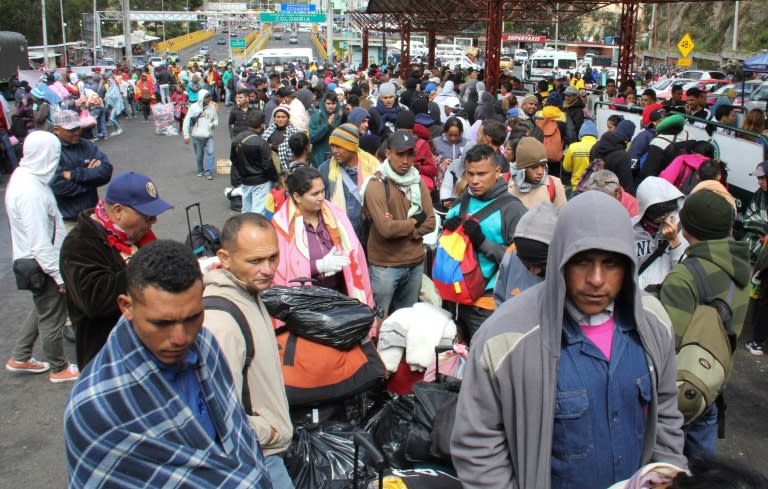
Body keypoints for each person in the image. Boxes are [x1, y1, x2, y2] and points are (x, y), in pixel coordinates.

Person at [451, 191, 687, 489]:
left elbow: (665, 412)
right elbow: (478, 444)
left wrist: (670, 474)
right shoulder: (504, 338)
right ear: (559, 258)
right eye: (582, 262)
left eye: (611, 263)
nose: (596, 279)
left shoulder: (653, 323)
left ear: (628, 265)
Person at [63, 240, 272, 488]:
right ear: (126, 307)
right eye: (162, 323)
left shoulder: (204, 343)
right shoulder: (95, 406)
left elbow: (236, 435)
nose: (180, 338)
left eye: (193, 317)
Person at [659, 189, 750, 461]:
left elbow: (669, 344)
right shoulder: (740, 264)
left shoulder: (685, 276)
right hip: (715, 377)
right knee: (704, 465)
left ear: (689, 225)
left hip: (685, 385)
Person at [204, 214, 294, 488]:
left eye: (273, 257)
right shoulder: (220, 321)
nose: (267, 269)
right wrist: (269, 431)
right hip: (254, 458)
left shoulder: (248, 293)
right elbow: (215, 411)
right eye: (255, 261)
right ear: (225, 257)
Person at [60, 172, 173, 369]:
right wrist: (150, 266)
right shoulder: (79, 244)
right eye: (146, 216)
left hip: (146, 349)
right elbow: (95, 300)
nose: (153, 221)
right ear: (118, 210)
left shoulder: (137, 236)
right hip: (109, 358)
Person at [5, 131, 80, 383]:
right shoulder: (30, 192)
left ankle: (21, 355)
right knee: (52, 317)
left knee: (42, 309)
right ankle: (59, 368)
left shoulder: (26, 177)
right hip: (41, 263)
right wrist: (59, 276)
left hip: (33, 260)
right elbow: (39, 241)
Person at [440, 143, 527, 342]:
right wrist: (447, 230)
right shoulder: (461, 202)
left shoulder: (513, 209)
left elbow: (522, 262)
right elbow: (445, 249)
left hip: (487, 305)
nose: (474, 181)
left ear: (497, 172)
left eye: (481, 174)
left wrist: (483, 242)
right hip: (453, 301)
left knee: (483, 364)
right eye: (470, 174)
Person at [272, 166, 373, 309]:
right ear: (297, 197)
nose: (321, 197)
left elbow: (353, 250)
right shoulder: (282, 226)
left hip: (340, 297)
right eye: (315, 194)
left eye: (323, 191)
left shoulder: (335, 215)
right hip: (307, 305)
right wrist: (318, 266)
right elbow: (282, 268)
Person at [363, 132, 436, 316]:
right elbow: (386, 229)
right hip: (386, 265)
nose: (405, 160)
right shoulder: (377, 183)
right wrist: (413, 222)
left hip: (415, 263)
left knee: (405, 322)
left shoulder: (417, 181)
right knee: (379, 320)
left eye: (410, 155)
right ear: (388, 153)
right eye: (400, 154)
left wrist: (403, 228)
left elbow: (431, 222)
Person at [318, 123, 380, 241]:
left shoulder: (374, 168)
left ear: (352, 147)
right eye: (332, 146)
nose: (334, 151)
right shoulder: (325, 170)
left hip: (369, 238)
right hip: (339, 237)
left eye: (339, 146)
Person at [494, 201, 558, 306]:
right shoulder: (511, 256)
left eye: (541, 264)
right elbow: (499, 301)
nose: (535, 271)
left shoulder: (568, 267)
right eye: (526, 265)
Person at [633, 177, 687, 290]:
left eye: (670, 212)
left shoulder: (682, 228)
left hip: (664, 296)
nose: (666, 217)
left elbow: (685, 274)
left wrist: (674, 241)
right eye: (661, 215)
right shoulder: (631, 227)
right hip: (635, 296)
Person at [230, 111, 277, 215]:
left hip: (245, 179)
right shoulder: (261, 143)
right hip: (261, 181)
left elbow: (233, 159)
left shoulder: (238, 138)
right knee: (259, 211)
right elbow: (267, 165)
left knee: (246, 208)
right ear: (261, 124)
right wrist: (275, 178)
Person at [507, 136, 567, 209]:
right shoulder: (506, 183)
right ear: (522, 168)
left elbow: (561, 217)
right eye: (534, 167)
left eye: (543, 166)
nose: (540, 172)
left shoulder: (554, 185)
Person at [591, 118, 637, 195]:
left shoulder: (595, 146)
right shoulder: (623, 156)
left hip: (592, 190)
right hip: (610, 197)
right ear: (627, 139)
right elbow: (626, 185)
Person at [183, 89, 219, 180]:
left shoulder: (212, 107)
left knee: (210, 153)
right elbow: (186, 121)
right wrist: (186, 135)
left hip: (208, 135)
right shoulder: (193, 108)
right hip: (197, 136)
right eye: (207, 97)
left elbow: (216, 119)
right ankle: (200, 170)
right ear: (202, 98)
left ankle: (208, 172)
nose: (209, 99)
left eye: (210, 97)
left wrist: (214, 124)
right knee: (199, 155)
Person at [263, 104, 300, 171]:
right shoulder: (269, 131)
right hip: (272, 165)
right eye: (278, 117)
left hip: (288, 164)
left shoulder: (294, 132)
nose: (280, 119)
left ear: (288, 118)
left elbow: (293, 148)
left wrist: (272, 146)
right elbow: (264, 145)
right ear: (274, 118)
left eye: (283, 117)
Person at [309, 92, 342, 167]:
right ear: (324, 104)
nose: (331, 106)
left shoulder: (340, 118)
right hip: (319, 158)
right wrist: (327, 125)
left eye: (333, 103)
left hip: (336, 158)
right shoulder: (316, 118)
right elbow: (312, 138)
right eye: (328, 103)